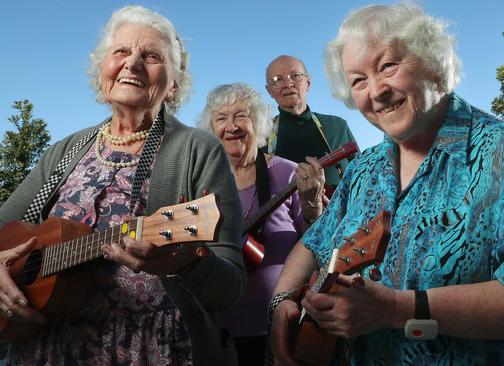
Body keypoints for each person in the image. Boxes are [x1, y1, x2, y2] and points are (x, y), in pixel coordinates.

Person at [267, 4, 504, 365]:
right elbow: (312, 244)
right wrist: (281, 303)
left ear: (431, 61)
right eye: (358, 80)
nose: (377, 91)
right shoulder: (363, 169)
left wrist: (395, 309)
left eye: (388, 66)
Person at [0, 6, 244, 365]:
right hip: (44, 350)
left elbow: (231, 287)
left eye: (151, 56)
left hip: (152, 351)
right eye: (121, 52)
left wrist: (184, 263)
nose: (133, 64)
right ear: (102, 71)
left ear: (173, 84)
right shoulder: (65, 151)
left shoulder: (198, 149)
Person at [197, 83, 325, 365]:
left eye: (241, 116)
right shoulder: (201, 183)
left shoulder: (289, 173)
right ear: (211, 128)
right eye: (221, 118)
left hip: (280, 325)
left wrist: (312, 207)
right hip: (218, 330)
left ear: (259, 122)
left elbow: (318, 246)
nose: (232, 126)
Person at [264, 54, 357, 190]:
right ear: (269, 91)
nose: (288, 84)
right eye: (277, 80)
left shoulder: (337, 126)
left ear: (308, 83)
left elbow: (362, 176)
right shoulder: (260, 134)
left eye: (295, 76)